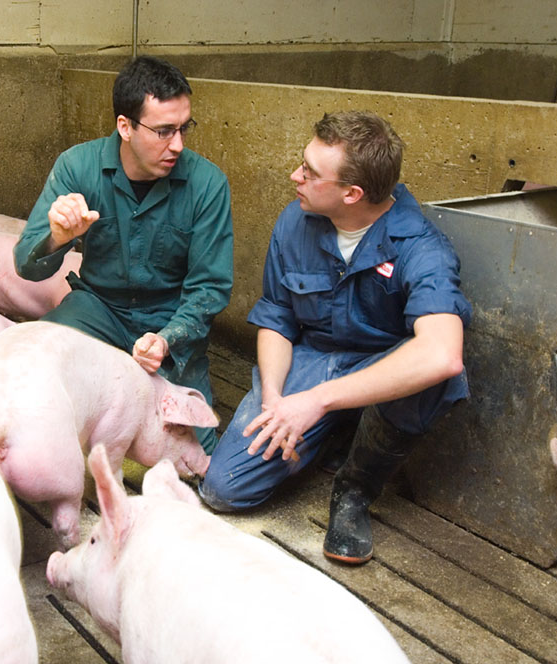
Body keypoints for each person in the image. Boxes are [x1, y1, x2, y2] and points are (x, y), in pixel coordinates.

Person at [198, 110, 471, 565]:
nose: (294, 176)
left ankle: (355, 489)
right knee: (224, 489)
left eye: (309, 171)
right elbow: (279, 316)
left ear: (352, 193)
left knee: (431, 373)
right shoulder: (294, 222)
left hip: (376, 370)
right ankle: (335, 433)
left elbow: (443, 355)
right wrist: (274, 401)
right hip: (315, 359)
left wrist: (317, 401)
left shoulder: (422, 246)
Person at [14, 55, 233, 453]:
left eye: (185, 128)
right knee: (31, 367)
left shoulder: (207, 184)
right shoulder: (78, 165)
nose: (179, 144)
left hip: (169, 320)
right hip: (99, 309)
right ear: (125, 126)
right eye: (165, 131)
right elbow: (25, 265)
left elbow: (210, 288)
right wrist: (57, 238)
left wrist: (167, 339)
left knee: (199, 458)